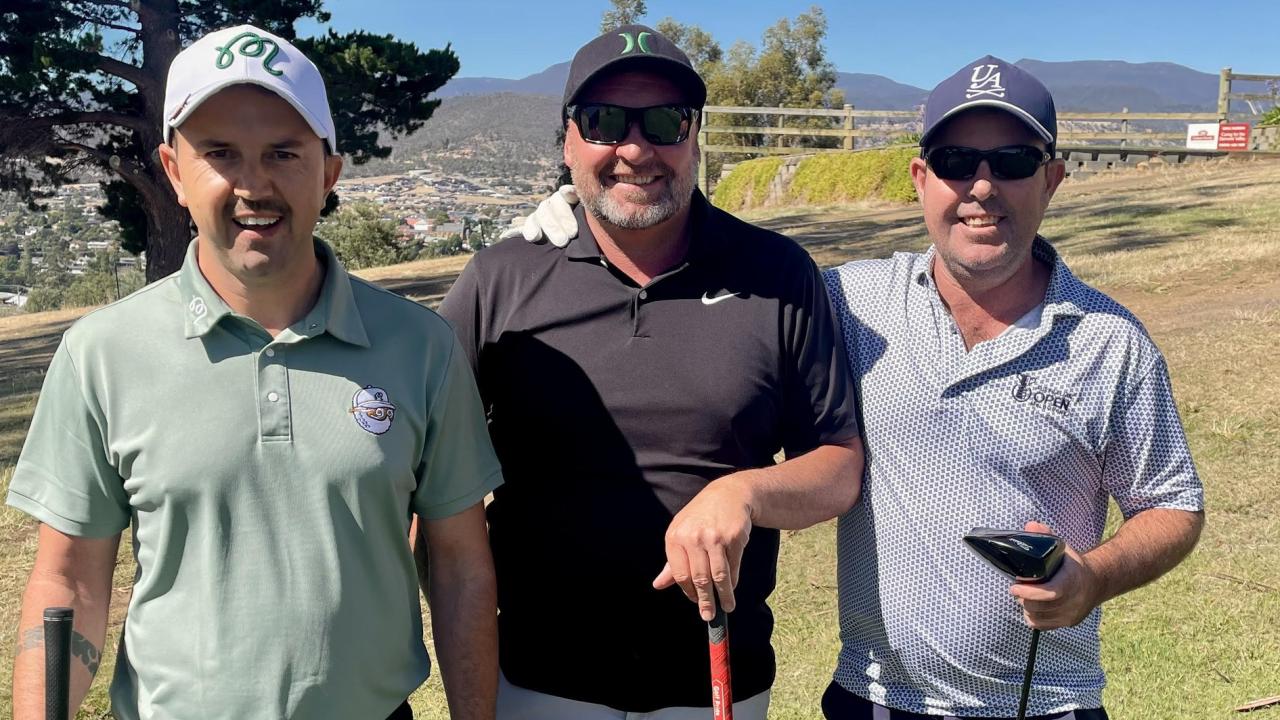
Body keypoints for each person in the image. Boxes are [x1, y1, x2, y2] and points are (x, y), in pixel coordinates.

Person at [512, 55, 1204, 720]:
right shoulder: (851, 302)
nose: (982, 188)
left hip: (1043, 701)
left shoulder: (1110, 343)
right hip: (872, 700)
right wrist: (582, 211)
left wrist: (1093, 578)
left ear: (1051, 181)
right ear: (920, 178)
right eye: (956, 163)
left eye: (1014, 163)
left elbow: (1172, 505)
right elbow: (724, 280)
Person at [7, 25, 502, 720]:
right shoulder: (101, 354)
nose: (253, 185)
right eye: (220, 154)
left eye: (283, 152)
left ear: (329, 172)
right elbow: (70, 586)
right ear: (174, 172)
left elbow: (457, 568)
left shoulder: (422, 347)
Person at [436, 23, 865, 720]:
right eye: (605, 122)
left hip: (718, 684)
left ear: (694, 136)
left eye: (664, 122)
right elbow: (421, 459)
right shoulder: (501, 278)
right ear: (568, 139)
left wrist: (747, 494)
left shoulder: (776, 272)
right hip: (538, 686)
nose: (635, 149)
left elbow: (839, 465)